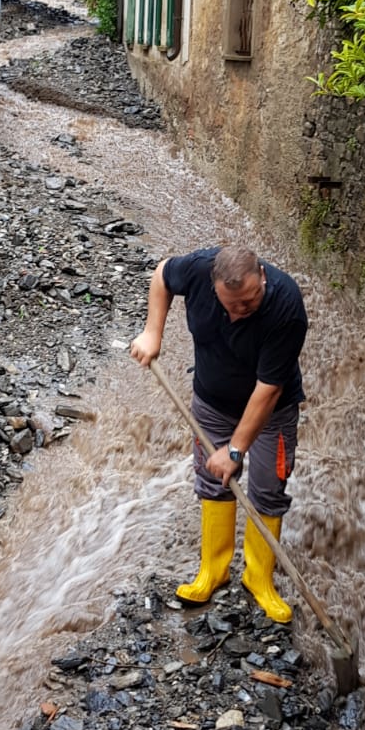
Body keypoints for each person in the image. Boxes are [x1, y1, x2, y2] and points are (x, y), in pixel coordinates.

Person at [131, 245, 308, 623]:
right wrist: (152, 332)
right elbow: (162, 275)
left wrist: (235, 449)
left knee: (267, 487)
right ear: (213, 287)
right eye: (230, 305)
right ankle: (213, 571)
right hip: (211, 402)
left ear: (262, 277)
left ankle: (259, 578)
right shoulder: (196, 270)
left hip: (269, 412)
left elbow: (269, 390)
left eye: (248, 302)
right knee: (213, 481)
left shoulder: (286, 305)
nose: (238, 312)